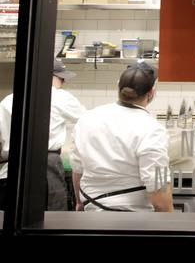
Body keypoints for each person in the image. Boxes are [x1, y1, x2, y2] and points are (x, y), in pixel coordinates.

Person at [71, 62, 172, 212]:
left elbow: (77, 169)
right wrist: (168, 218)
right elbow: (158, 185)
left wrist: (79, 203)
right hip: (132, 222)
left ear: (118, 86)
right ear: (151, 93)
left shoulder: (87, 118)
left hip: (90, 215)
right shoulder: (153, 128)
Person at [0, 59, 86, 210]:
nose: (64, 82)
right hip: (45, 170)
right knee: (50, 222)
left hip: (8, 170)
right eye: (61, 78)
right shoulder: (61, 97)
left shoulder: (8, 100)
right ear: (50, 75)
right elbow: (88, 119)